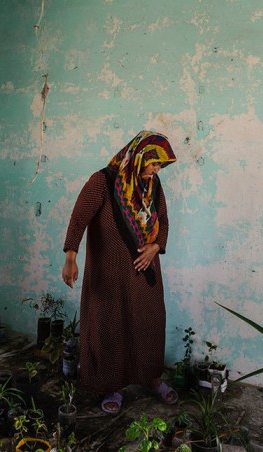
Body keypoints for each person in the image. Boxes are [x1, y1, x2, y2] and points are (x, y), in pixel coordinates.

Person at [62, 130, 178, 414]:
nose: (157, 169)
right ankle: (111, 385)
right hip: (109, 273)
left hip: (145, 272)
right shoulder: (103, 181)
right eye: (154, 163)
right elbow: (79, 219)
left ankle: (150, 378)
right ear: (139, 156)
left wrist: (156, 246)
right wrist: (70, 257)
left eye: (161, 165)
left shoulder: (152, 185)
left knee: (149, 323)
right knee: (110, 325)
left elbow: (162, 219)